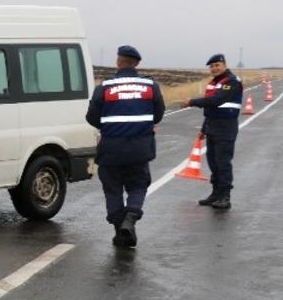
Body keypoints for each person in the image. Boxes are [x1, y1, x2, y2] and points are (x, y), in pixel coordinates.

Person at [85, 45, 165, 247]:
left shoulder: (105, 87)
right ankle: (129, 220)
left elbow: (91, 117)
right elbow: (159, 114)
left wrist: (113, 126)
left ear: (118, 62)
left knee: (112, 191)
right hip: (139, 148)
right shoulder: (150, 86)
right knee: (138, 186)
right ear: (136, 63)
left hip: (111, 148)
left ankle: (121, 231)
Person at [181, 53, 242, 209]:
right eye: (212, 66)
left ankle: (225, 196)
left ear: (224, 65)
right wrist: (204, 128)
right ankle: (215, 193)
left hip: (226, 127)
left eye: (217, 65)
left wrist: (192, 102)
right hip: (212, 127)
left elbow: (217, 100)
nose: (214, 68)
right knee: (213, 163)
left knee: (223, 163)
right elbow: (211, 107)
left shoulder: (231, 82)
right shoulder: (214, 83)